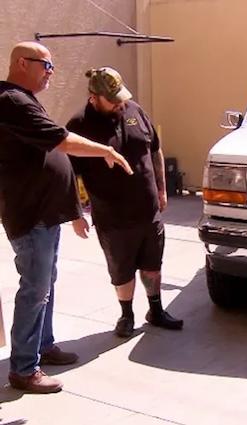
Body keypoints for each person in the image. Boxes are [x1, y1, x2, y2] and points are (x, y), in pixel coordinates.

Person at [0, 41, 133, 393]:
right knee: (35, 288)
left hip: (45, 213)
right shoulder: (11, 101)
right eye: (47, 66)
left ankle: (42, 346)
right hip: (31, 215)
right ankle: (24, 369)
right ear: (22, 63)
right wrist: (105, 150)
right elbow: (61, 140)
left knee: (45, 284)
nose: (51, 73)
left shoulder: (24, 99)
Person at [67, 67, 183, 340]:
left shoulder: (134, 110)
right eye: (112, 100)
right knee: (122, 269)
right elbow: (69, 174)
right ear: (93, 97)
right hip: (113, 216)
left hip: (148, 209)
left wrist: (162, 189)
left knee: (152, 263)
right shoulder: (79, 125)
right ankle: (126, 314)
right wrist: (75, 214)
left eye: (120, 96)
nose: (120, 103)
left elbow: (154, 148)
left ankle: (156, 310)